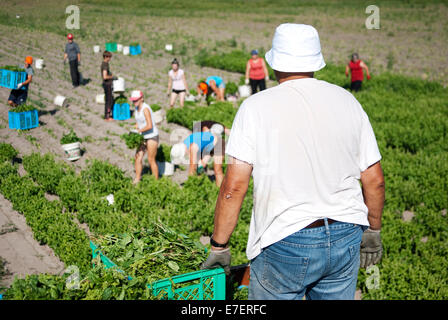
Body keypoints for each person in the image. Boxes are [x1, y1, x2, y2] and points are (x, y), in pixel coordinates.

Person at [201, 23, 385, 300]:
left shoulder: (255, 107)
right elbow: (375, 179)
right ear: (315, 62)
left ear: (274, 63)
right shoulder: (347, 101)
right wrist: (373, 229)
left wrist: (219, 246)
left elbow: (233, 187)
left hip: (286, 238)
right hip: (347, 234)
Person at [170, 120, 229, 187]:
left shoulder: (193, 147)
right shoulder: (186, 143)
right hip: (208, 145)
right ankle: (199, 186)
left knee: (217, 169)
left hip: (218, 142)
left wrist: (189, 184)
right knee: (200, 168)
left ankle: (219, 190)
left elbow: (192, 168)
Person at [130, 90, 159, 184]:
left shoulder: (145, 109)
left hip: (151, 136)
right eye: (133, 100)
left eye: (136, 100)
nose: (134, 102)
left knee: (151, 159)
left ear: (142, 98)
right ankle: (137, 179)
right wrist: (135, 127)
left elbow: (149, 125)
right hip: (143, 136)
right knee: (138, 156)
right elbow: (139, 122)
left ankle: (156, 182)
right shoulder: (137, 108)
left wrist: (138, 131)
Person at [101, 51, 118, 121]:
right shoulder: (105, 65)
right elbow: (105, 76)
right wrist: (112, 77)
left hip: (107, 84)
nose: (110, 58)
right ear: (105, 57)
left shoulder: (105, 64)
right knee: (109, 100)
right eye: (109, 57)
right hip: (107, 84)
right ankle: (107, 117)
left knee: (109, 99)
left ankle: (107, 115)